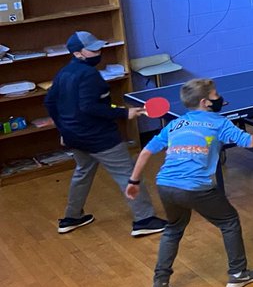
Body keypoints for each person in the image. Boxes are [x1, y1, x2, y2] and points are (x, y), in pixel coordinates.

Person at [127, 78, 253, 287]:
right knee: (229, 221)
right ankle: (238, 273)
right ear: (205, 102)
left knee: (173, 229)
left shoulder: (175, 124)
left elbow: (145, 152)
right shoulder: (219, 122)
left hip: (166, 185)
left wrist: (133, 182)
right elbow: (250, 142)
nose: (219, 98)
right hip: (195, 186)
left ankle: (160, 282)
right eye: (215, 95)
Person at [45, 30, 166, 237]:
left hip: (75, 136)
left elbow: (49, 102)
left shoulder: (63, 73)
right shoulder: (89, 75)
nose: (98, 52)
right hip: (99, 137)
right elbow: (90, 107)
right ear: (77, 53)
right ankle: (144, 220)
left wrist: (64, 130)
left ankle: (71, 218)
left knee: (82, 172)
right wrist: (124, 113)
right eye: (92, 50)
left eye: (98, 48)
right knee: (128, 175)